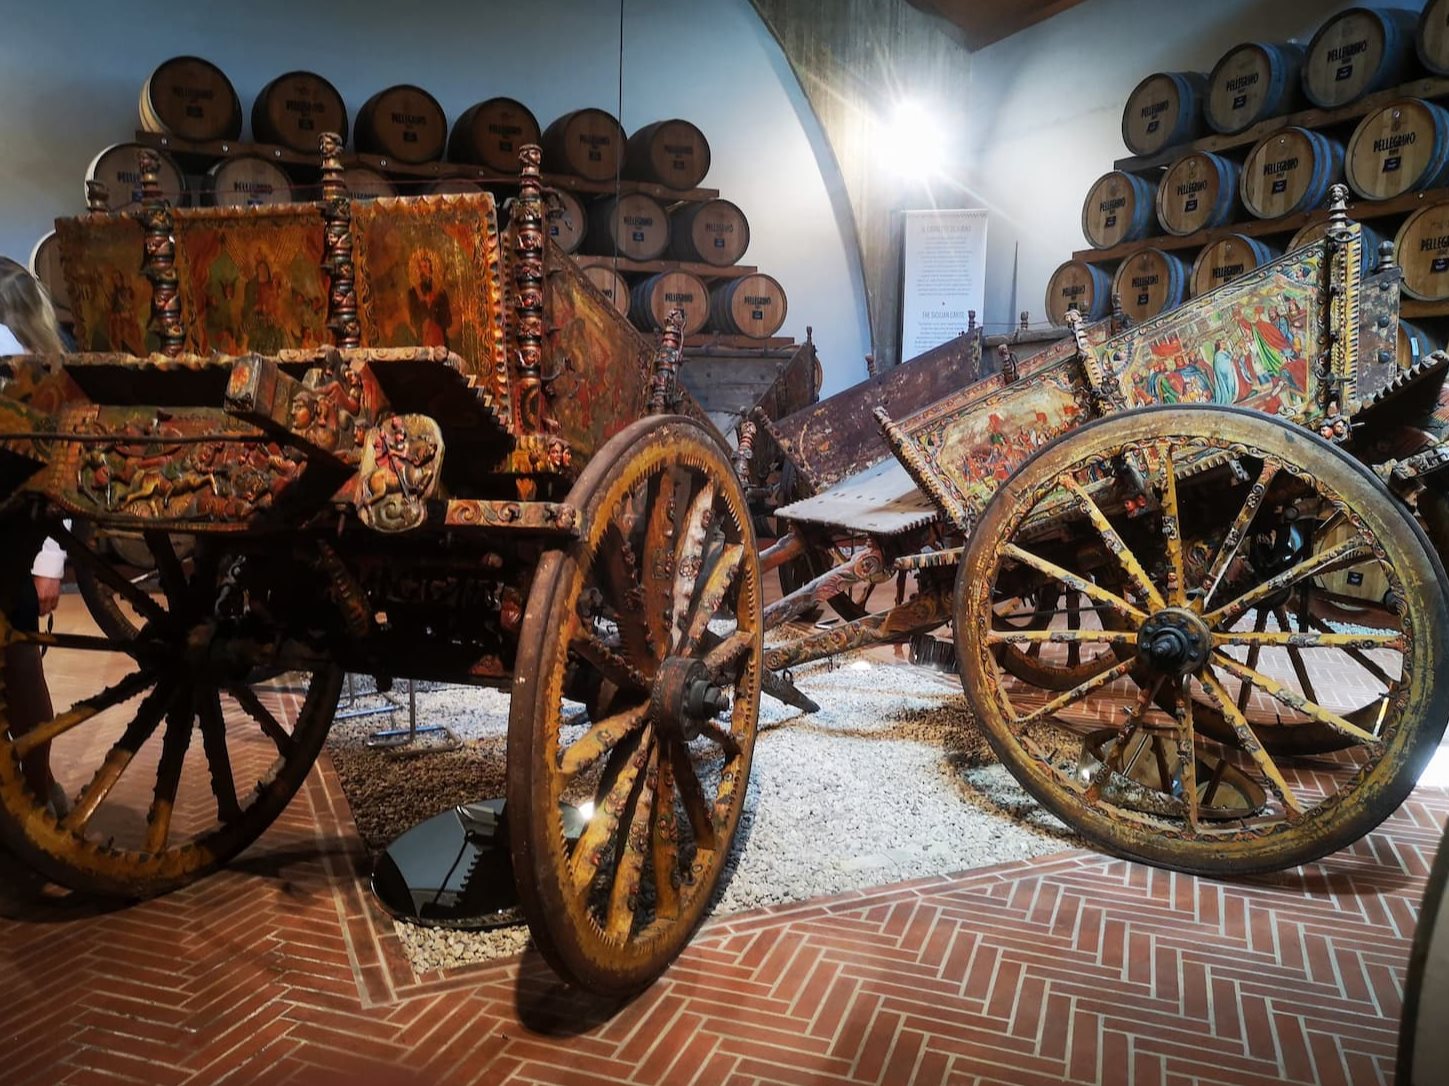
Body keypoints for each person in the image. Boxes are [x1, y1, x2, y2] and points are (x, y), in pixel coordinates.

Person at [0, 256, 69, 816]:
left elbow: (59, 471)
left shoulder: (34, 367)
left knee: (22, 667)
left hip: (14, 538)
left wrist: (48, 559)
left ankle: (41, 791)